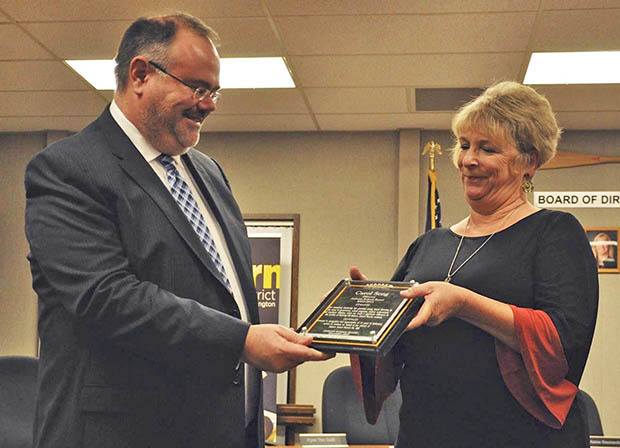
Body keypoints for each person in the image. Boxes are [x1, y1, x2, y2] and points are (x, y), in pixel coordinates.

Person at [24, 13, 330, 448]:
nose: (209, 104)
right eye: (198, 87)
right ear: (141, 74)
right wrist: (240, 340)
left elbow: (226, 294)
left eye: (215, 91)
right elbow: (106, 297)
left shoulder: (208, 172)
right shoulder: (67, 170)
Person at [351, 81, 598, 447]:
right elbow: (392, 353)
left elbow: (563, 343)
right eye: (464, 145)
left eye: (487, 148)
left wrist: (463, 303)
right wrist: (363, 321)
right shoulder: (428, 244)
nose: (468, 160)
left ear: (528, 162)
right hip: (425, 434)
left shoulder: (554, 232)